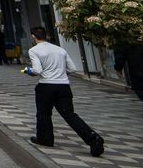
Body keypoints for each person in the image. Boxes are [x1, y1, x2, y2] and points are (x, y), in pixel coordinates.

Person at [23, 26, 104, 156]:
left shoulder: (34, 50)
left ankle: (45, 139)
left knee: (44, 113)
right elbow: (72, 68)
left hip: (46, 86)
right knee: (69, 114)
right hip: (63, 86)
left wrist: (28, 71)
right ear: (46, 35)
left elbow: (37, 70)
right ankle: (92, 137)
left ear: (33, 36)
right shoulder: (59, 49)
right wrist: (60, 73)